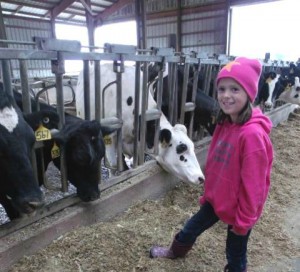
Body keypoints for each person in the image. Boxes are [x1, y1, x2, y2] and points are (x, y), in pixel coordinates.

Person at [149, 57, 274, 272]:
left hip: (239, 209)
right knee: (191, 227)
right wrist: (208, 194)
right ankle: (176, 251)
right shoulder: (224, 123)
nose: (226, 95)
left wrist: (243, 222)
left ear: (249, 93)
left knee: (235, 251)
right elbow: (216, 165)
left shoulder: (252, 135)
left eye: (235, 89)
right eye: (222, 88)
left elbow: (255, 186)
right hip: (217, 199)